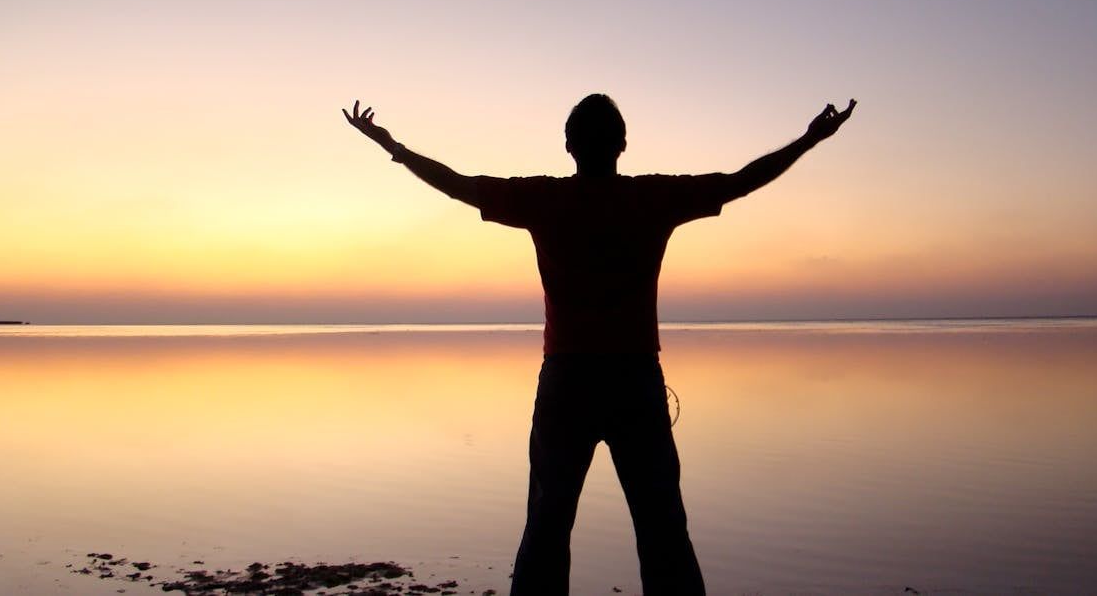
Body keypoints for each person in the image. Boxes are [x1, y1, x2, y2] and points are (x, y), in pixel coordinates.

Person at [344, 94, 855, 595]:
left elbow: (459, 186)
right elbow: (742, 181)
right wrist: (809, 140)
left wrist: (394, 146)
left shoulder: (547, 200)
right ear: (623, 144)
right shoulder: (651, 199)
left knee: (548, 522)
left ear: (569, 146)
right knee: (661, 526)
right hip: (634, 381)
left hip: (568, 381)